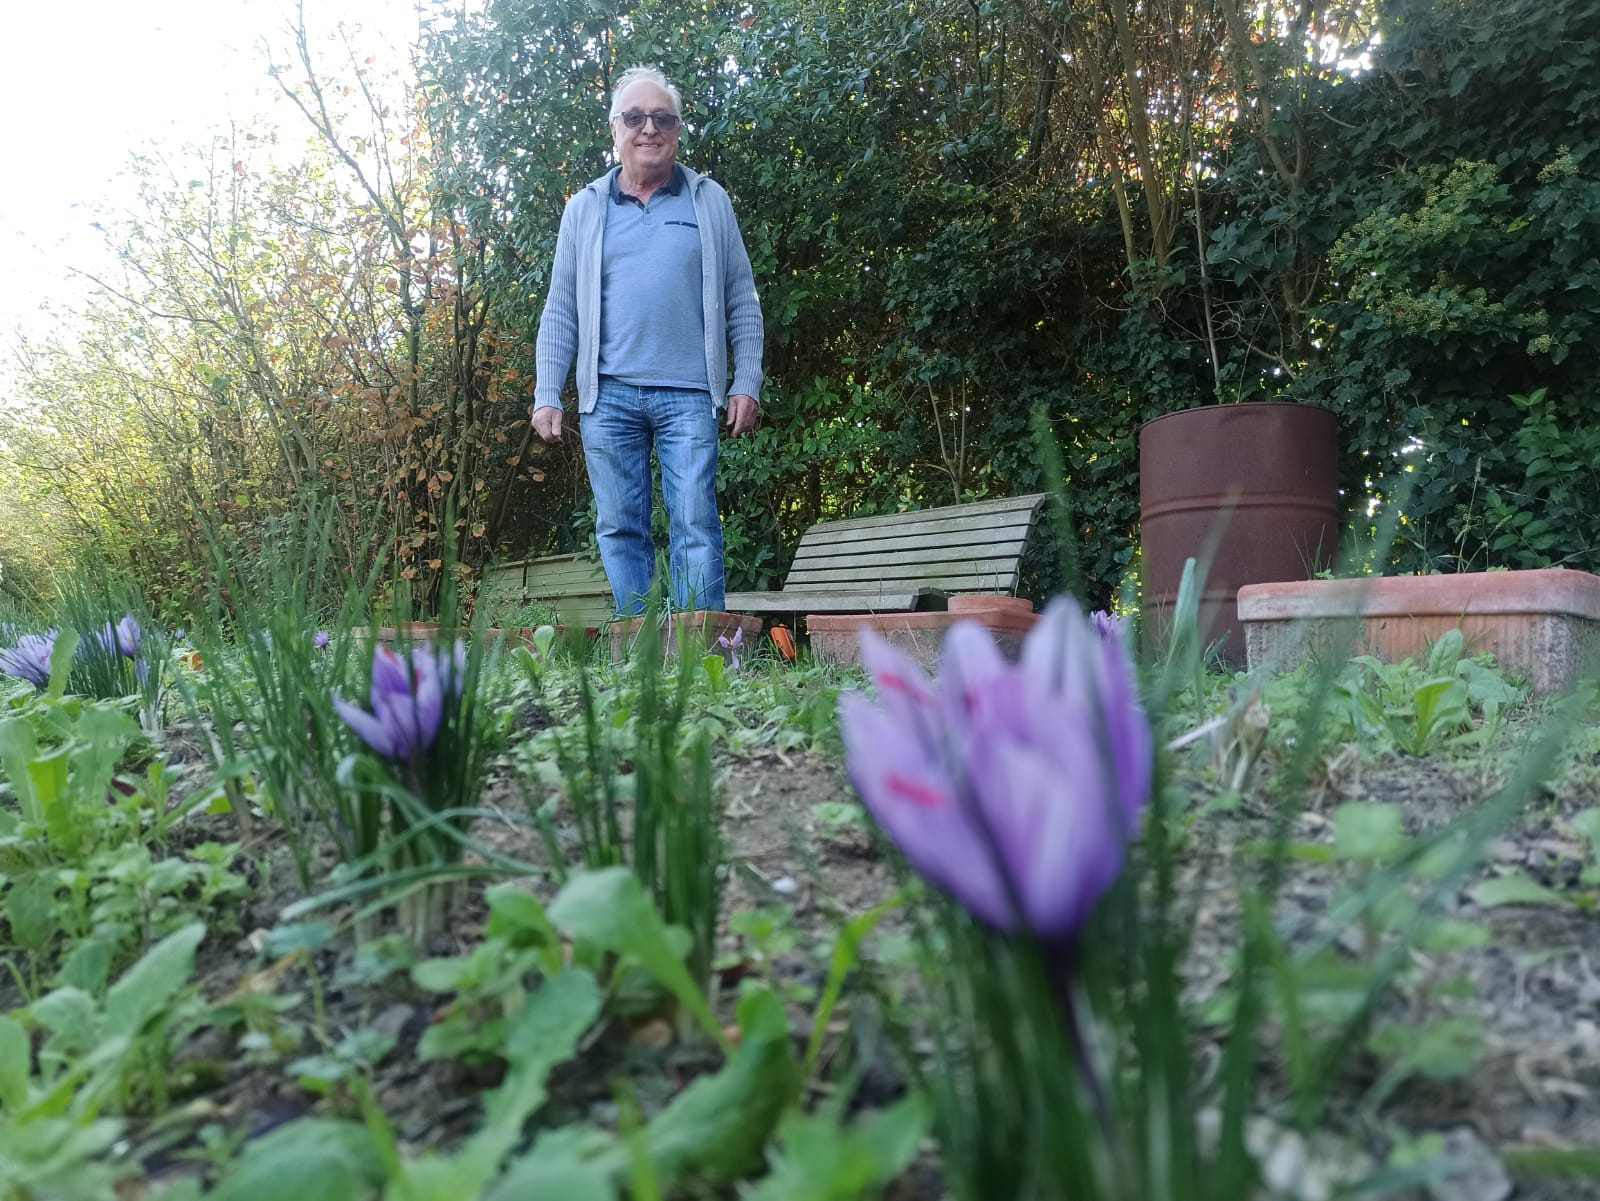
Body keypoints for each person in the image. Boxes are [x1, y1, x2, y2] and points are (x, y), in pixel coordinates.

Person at [530, 65, 763, 616]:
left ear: (678, 130)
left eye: (662, 117)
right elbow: (561, 307)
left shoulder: (709, 201)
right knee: (619, 527)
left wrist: (746, 380)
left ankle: (704, 656)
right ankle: (641, 657)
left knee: (696, 523)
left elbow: (742, 301)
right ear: (614, 130)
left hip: (689, 394)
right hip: (606, 397)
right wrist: (547, 391)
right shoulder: (585, 208)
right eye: (634, 117)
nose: (648, 128)